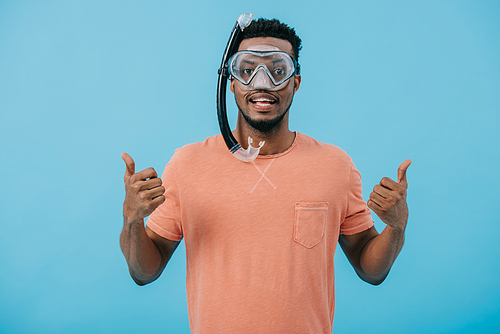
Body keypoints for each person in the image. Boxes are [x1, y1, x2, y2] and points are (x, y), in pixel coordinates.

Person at [120, 18, 411, 334]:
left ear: (295, 82)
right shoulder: (188, 164)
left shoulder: (335, 166)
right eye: (247, 70)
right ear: (230, 82)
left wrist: (395, 227)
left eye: (277, 70)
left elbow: (371, 270)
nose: (261, 83)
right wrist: (133, 220)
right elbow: (144, 273)